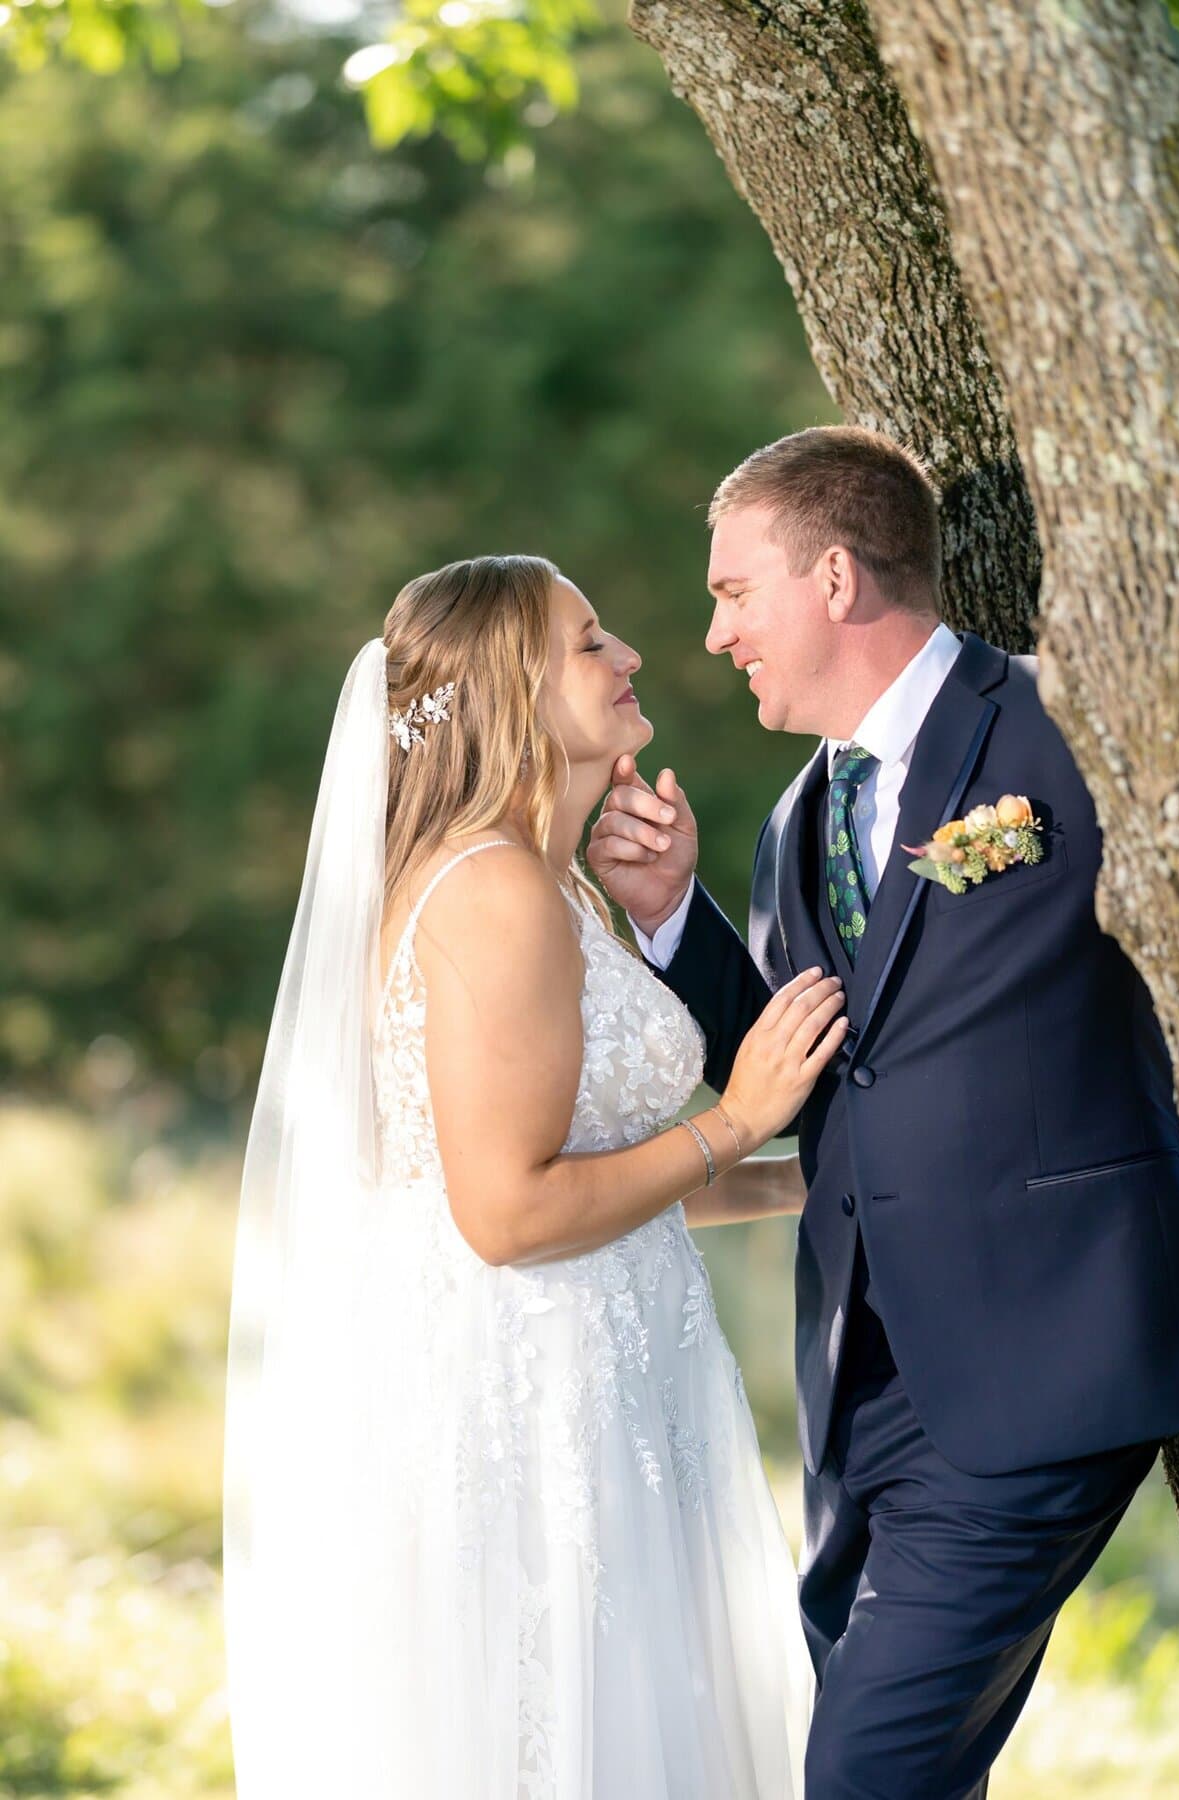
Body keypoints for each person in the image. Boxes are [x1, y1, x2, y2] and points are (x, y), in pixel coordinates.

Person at [589, 425, 1179, 1799]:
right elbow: (803, 1069)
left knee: (867, 1770)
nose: (712, 632)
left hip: (1052, 1352)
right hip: (864, 1382)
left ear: (835, 579)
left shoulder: (1064, 726)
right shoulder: (798, 816)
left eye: (733, 591)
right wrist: (674, 918)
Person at [223, 553, 850, 1799]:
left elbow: (602, 1172)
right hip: (532, 1383)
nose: (627, 659)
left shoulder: (552, 883)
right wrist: (735, 1120)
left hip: (601, 1352)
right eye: (589, 642)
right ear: (513, 691)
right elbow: (508, 1214)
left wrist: (800, 1174)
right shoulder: (496, 890)